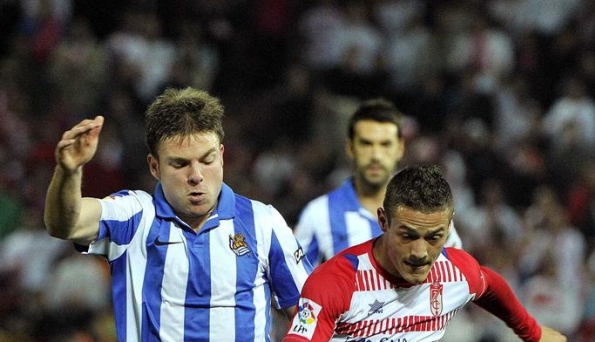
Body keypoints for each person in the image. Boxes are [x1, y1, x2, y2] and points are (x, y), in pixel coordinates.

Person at [43, 87, 313, 341]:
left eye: (206, 160)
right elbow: (66, 224)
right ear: (155, 166)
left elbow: (311, 312)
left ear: (221, 156)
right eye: (180, 164)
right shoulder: (136, 216)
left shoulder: (263, 222)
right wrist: (69, 171)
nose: (196, 176)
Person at [283, 164, 567, 342]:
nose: (420, 252)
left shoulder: (457, 272)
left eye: (434, 237)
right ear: (383, 221)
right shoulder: (337, 282)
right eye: (407, 235)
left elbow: (490, 284)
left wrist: (534, 332)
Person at [294, 98, 461, 267]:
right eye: (366, 144)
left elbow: (456, 276)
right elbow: (297, 286)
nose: (376, 155)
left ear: (400, 148)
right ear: (351, 147)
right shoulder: (318, 215)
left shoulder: (431, 208)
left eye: (385, 144)